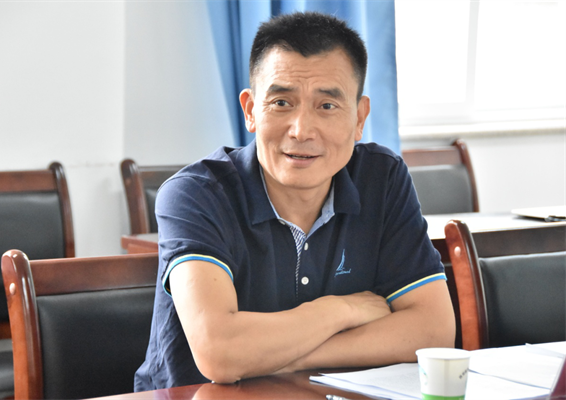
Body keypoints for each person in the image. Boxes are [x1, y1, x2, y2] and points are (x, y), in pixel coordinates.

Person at [134, 11, 455, 391]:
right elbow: (220, 353)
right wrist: (340, 310)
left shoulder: (381, 178)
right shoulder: (195, 194)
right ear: (251, 110)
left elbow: (433, 330)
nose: (301, 130)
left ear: (359, 118)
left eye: (327, 106)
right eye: (282, 102)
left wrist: (278, 357)